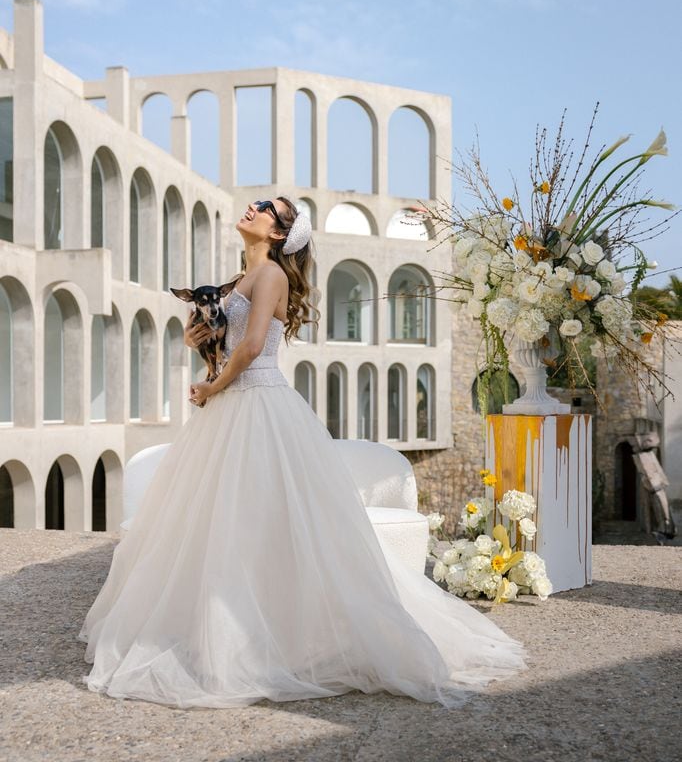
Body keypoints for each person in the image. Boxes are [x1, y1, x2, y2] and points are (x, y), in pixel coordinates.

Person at [78, 195, 526, 709]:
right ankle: (220, 630)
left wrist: (210, 388)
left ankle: (268, 636)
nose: (253, 207)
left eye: (266, 207)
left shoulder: (271, 276)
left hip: (257, 402)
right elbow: (228, 341)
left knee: (259, 521)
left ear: (278, 233)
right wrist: (196, 337)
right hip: (230, 405)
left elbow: (249, 350)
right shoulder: (238, 280)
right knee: (223, 522)